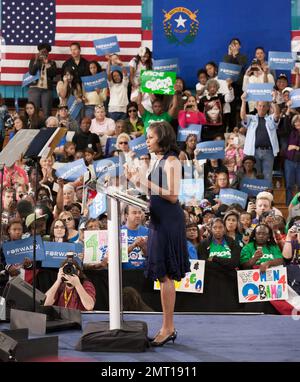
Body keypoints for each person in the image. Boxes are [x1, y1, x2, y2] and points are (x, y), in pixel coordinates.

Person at [125, 121, 190, 346]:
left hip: (169, 221)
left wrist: (144, 182)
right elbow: (151, 191)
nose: (147, 142)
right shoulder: (158, 160)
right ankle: (166, 326)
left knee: (166, 275)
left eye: (150, 138)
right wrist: (136, 180)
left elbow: (172, 195)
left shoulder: (172, 160)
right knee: (163, 276)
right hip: (158, 219)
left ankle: (168, 327)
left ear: (161, 138)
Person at [240, 94, 280, 181]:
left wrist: (274, 101)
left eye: (264, 106)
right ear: (256, 107)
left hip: (268, 152)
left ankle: (266, 195)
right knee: (255, 177)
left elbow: (277, 114)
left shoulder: (270, 118)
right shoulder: (251, 118)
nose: (262, 108)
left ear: (268, 108)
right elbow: (243, 116)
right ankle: (257, 195)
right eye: (260, 106)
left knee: (267, 177)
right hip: (254, 152)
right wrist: (243, 101)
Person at [28, 43, 57, 118]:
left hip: (47, 89)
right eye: (42, 52)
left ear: (48, 53)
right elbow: (32, 72)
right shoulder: (33, 60)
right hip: (34, 87)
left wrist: (46, 63)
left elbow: (53, 74)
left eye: (45, 52)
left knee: (47, 112)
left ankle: (47, 128)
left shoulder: (52, 62)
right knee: (33, 111)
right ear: (39, 52)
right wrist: (38, 61)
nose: (43, 53)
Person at [121, 205, 148, 270]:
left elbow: (153, 257)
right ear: (126, 215)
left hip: (145, 274)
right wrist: (133, 245)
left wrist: (143, 246)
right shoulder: (119, 232)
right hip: (125, 274)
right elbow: (117, 256)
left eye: (139, 212)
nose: (138, 215)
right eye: (134, 213)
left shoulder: (148, 232)